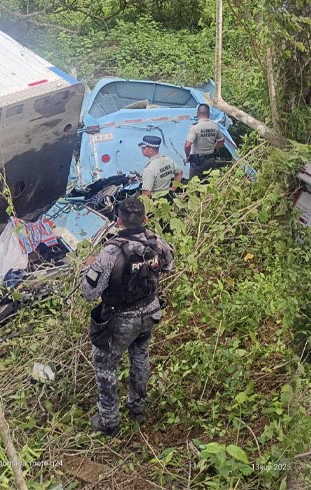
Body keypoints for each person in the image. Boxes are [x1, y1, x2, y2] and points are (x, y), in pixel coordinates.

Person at [81, 198, 175, 435]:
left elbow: (90, 293)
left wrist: (89, 266)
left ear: (117, 221)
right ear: (145, 219)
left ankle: (109, 421)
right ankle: (137, 408)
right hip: (150, 311)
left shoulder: (111, 251)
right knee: (140, 355)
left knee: (105, 364)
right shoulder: (156, 241)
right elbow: (169, 265)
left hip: (121, 319)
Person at [184, 104, 225, 182]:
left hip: (197, 162)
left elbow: (187, 145)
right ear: (209, 114)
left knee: (194, 184)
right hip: (210, 159)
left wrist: (187, 156)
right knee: (209, 182)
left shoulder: (195, 127)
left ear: (197, 114)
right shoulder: (214, 126)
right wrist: (215, 149)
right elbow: (222, 140)